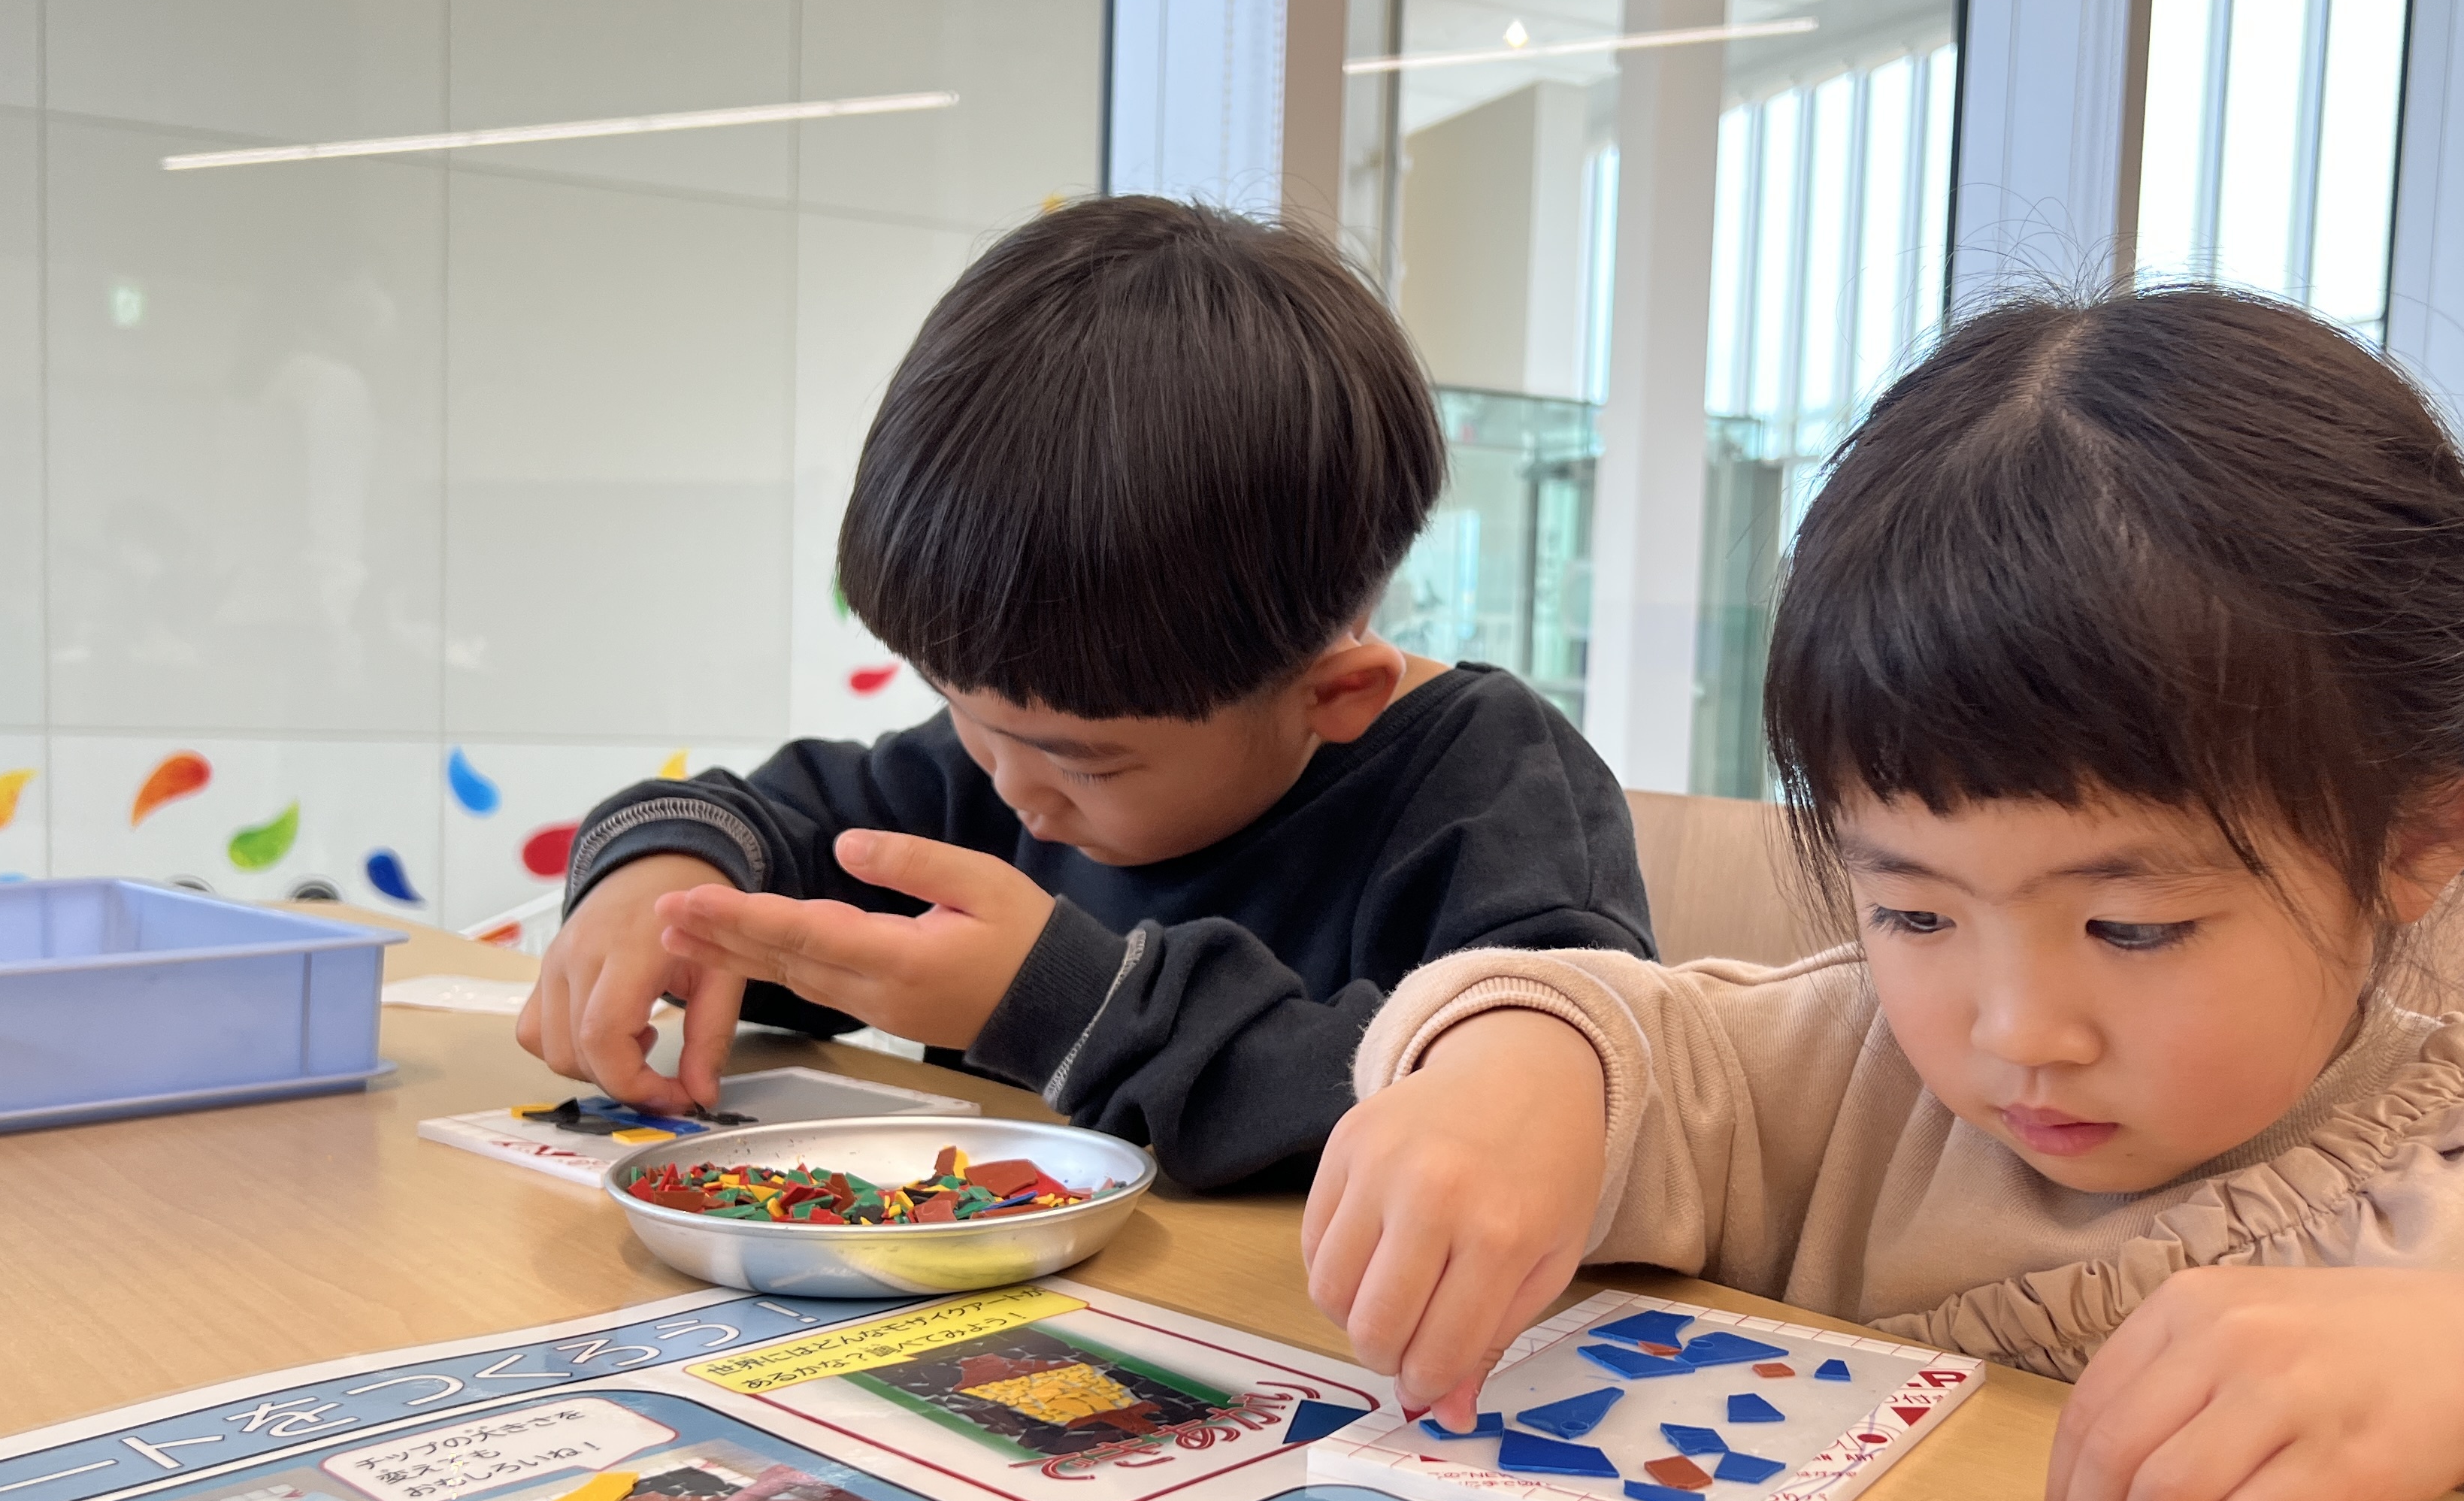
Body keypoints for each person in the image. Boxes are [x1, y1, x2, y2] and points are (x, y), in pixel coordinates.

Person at [1302, 288, 2464, 1501]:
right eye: (1914, 912)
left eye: (2134, 928)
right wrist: (1512, 1070)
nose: (2017, 1033)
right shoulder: (1844, 1077)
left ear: (2431, 824)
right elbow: (1637, 1040)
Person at [519, 197, 1652, 1190]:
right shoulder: (1006, 764)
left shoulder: (1490, 787)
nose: (1012, 788)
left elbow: (1557, 1114)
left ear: (1335, 695)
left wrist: (1060, 1000)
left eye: (1084, 760)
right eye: (969, 717)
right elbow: (772, 822)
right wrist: (667, 885)